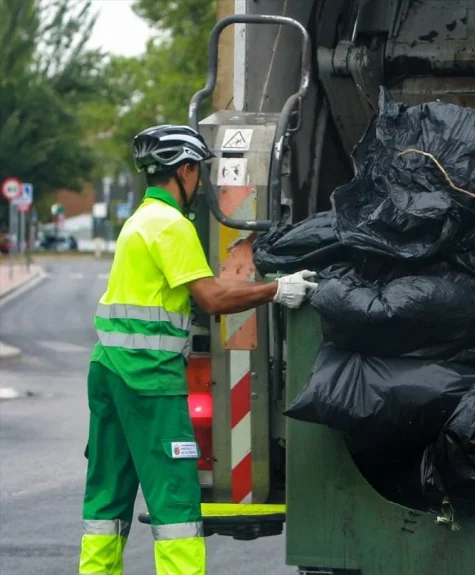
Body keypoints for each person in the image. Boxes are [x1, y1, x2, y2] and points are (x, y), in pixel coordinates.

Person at [79, 124, 318, 575]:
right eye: (200, 171)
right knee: (175, 503)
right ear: (186, 170)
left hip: (108, 371)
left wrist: (248, 282)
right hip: (148, 379)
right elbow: (211, 299)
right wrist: (275, 290)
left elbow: (200, 288)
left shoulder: (140, 221)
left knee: (105, 500)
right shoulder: (172, 226)